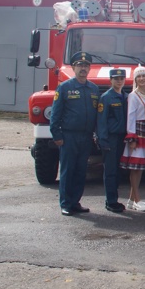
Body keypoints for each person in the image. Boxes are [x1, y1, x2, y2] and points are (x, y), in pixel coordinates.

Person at [50, 51, 99, 216]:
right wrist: (56, 135)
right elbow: (55, 114)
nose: (83, 68)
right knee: (68, 170)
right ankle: (65, 203)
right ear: (73, 67)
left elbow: (96, 114)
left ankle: (75, 202)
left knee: (80, 171)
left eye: (86, 66)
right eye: (80, 65)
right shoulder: (64, 88)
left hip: (86, 137)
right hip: (69, 136)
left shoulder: (93, 88)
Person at [121, 65, 145, 211]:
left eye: (144, 76)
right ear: (135, 79)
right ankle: (137, 200)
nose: (142, 79)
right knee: (135, 168)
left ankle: (131, 201)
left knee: (140, 167)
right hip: (137, 133)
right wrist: (132, 138)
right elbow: (130, 117)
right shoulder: (133, 95)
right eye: (139, 76)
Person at [97, 68, 128, 213]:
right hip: (110, 138)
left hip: (122, 138)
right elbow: (101, 121)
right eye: (116, 79)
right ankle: (111, 201)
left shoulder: (126, 96)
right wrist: (103, 140)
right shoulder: (106, 97)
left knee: (118, 170)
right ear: (111, 80)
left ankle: (114, 198)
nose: (119, 81)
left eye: (121, 78)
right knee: (110, 171)